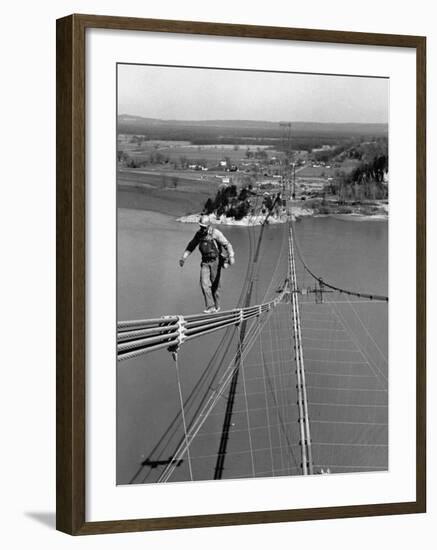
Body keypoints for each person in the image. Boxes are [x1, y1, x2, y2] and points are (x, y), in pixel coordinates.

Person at [179, 215, 235, 313]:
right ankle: (210, 307)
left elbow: (227, 244)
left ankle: (217, 307)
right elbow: (191, 246)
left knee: (215, 286)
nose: (202, 229)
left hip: (215, 262)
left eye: (203, 227)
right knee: (204, 284)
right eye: (201, 226)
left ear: (208, 226)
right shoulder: (199, 234)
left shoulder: (215, 233)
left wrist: (231, 256)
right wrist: (184, 257)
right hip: (205, 262)